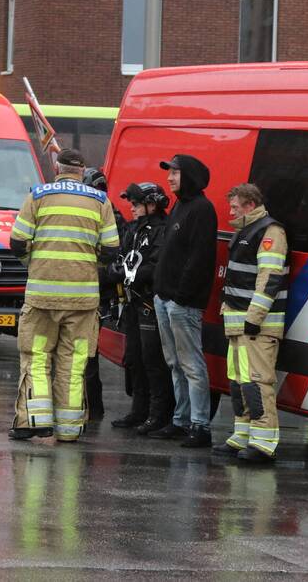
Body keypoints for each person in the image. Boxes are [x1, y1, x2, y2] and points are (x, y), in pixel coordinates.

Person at [7, 149, 120, 442]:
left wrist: (34, 264)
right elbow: (110, 250)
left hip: (42, 298)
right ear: (82, 171)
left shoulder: (38, 196)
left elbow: (18, 242)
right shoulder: (100, 201)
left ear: (57, 168)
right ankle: (69, 430)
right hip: (82, 302)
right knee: (73, 363)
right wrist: (87, 268)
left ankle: (33, 422)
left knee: (37, 357)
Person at [213, 183, 288, 463]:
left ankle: (263, 443)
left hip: (256, 326)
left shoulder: (270, 232)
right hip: (238, 324)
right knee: (239, 383)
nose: (230, 211)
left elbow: (269, 278)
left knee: (257, 383)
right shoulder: (247, 230)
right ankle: (242, 436)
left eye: (234, 206)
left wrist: (254, 318)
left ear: (250, 204)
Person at [150, 154, 218, 448]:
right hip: (164, 299)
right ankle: (181, 421)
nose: (169, 178)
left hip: (183, 303)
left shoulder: (202, 209)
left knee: (191, 364)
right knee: (174, 362)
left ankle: (200, 425)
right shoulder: (180, 206)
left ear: (188, 175)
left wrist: (180, 297)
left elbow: (200, 258)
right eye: (169, 173)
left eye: (175, 173)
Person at [107, 182, 175, 435]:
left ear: (152, 204)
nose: (132, 209)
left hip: (149, 302)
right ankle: (138, 410)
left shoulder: (163, 230)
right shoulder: (133, 229)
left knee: (153, 360)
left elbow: (156, 266)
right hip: (132, 302)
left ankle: (158, 414)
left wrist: (130, 274)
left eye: (136, 204)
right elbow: (121, 257)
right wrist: (116, 271)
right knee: (134, 358)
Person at [81, 166, 117, 418]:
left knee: (87, 357)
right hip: (90, 294)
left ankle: (93, 409)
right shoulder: (108, 215)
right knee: (85, 356)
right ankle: (91, 408)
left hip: (94, 296)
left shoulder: (104, 217)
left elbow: (113, 261)